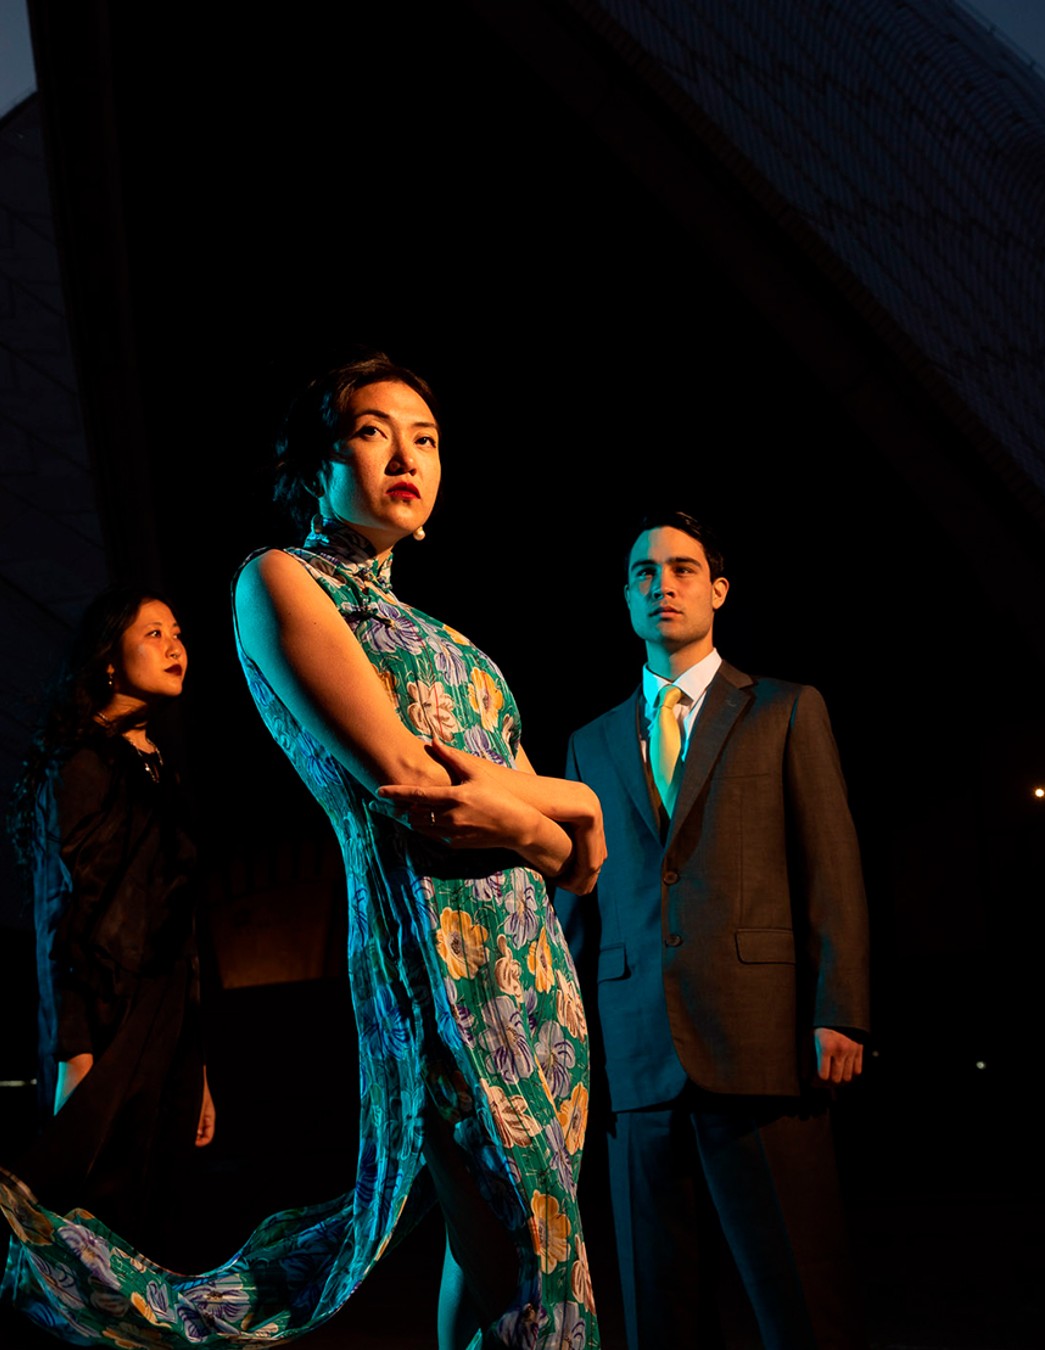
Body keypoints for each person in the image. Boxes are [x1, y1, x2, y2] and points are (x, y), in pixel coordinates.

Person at [230, 351, 603, 1350]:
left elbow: (581, 866)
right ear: (318, 462)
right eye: (372, 428)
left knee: (494, 1274)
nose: (407, 453)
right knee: (537, 1259)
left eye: (426, 438)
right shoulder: (282, 581)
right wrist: (560, 807)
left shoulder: (456, 646)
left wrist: (558, 824)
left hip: (540, 975)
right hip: (437, 960)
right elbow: (414, 786)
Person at [555, 511, 871, 1350]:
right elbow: (577, 907)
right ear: (626, 597)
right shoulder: (587, 744)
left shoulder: (785, 710)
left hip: (760, 1042)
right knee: (659, 1315)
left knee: (801, 1302)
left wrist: (839, 1007)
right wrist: (565, 1053)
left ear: (718, 590)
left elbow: (830, 868)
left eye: (684, 569)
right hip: (634, 1059)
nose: (664, 585)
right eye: (644, 573)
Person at [3, 587, 213, 1281]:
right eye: (153, 633)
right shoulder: (84, 764)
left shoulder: (164, 772)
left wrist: (199, 1066)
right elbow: (66, 915)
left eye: (177, 631)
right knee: (92, 1233)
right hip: (108, 1027)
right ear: (110, 663)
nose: (175, 644)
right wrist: (74, 1051)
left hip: (168, 1028)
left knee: (159, 1229)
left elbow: (181, 930)